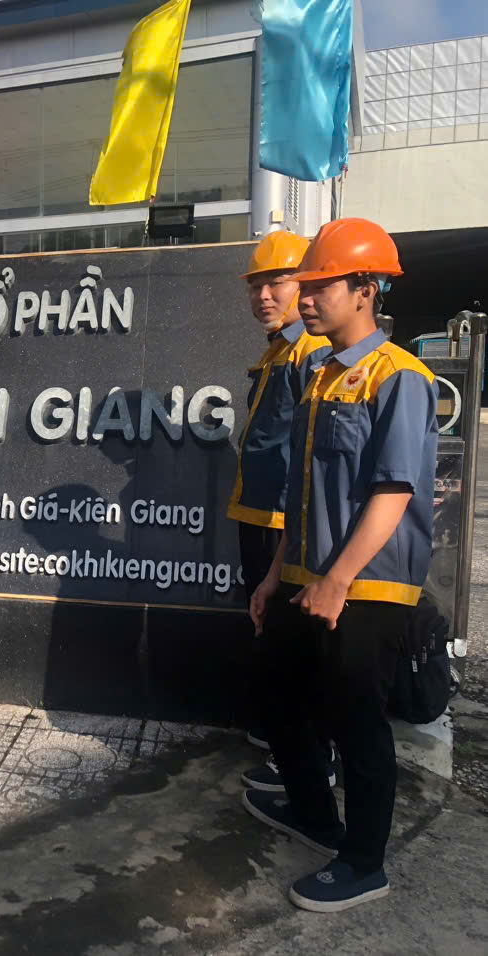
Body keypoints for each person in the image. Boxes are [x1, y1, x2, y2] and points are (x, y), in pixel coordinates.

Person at [246, 218, 436, 912]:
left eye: (320, 285)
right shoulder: (321, 376)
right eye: (306, 285)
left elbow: (394, 489)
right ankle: (313, 815)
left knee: (357, 722)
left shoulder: (400, 377)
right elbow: (302, 493)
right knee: (278, 698)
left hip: (368, 584)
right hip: (305, 576)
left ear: (365, 289)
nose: (304, 298)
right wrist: (277, 574)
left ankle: (363, 862)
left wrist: (338, 578)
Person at [227, 231, 336, 793]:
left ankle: (309, 757)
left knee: (293, 641)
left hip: (284, 524)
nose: (264, 295)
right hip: (260, 515)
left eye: (278, 282)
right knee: (269, 633)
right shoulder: (280, 350)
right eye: (256, 286)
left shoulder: (311, 353)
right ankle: (283, 733)